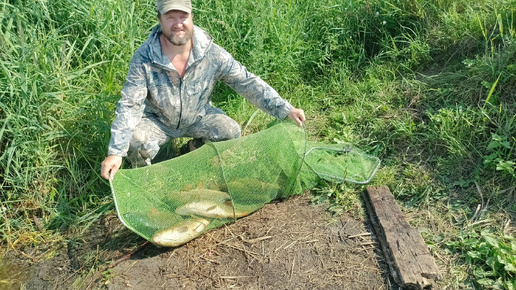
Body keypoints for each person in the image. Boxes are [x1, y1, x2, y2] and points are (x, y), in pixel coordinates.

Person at [101, 0, 306, 180]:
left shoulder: (210, 52)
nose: (178, 23)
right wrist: (116, 152)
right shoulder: (144, 57)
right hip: (158, 122)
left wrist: (285, 109)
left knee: (230, 132)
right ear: (159, 19)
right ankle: (152, 175)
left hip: (198, 116)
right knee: (134, 141)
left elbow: (246, 81)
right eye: (170, 17)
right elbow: (130, 104)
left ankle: (189, 154)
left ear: (192, 17)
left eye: (183, 16)